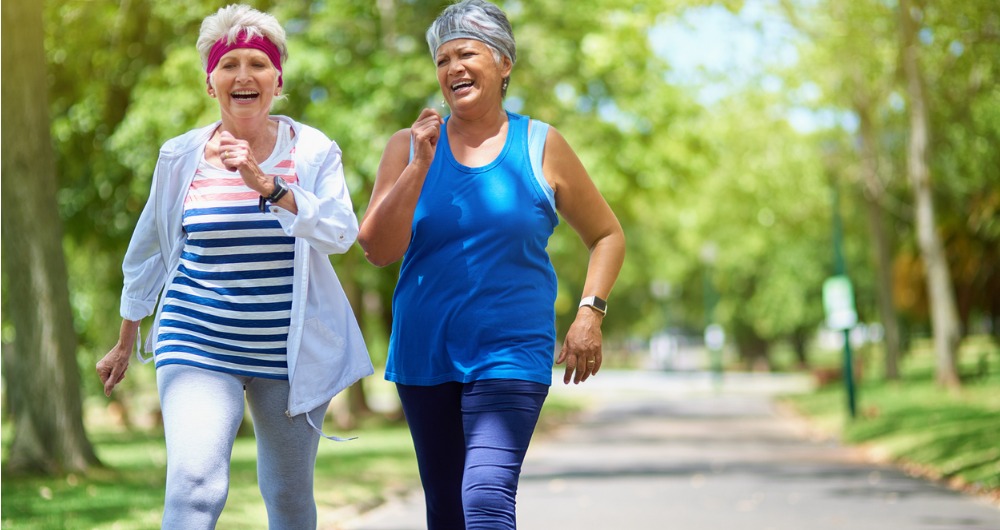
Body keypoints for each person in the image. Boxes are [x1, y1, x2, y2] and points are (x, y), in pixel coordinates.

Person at [95, 5, 373, 528]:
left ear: (278, 80)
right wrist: (126, 338)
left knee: (289, 498)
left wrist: (269, 186)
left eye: (258, 63)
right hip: (196, 338)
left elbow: (341, 232)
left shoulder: (312, 150)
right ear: (210, 82)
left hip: (288, 352)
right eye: (229, 64)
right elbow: (148, 250)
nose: (243, 75)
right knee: (197, 487)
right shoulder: (180, 156)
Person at [357, 1, 626, 528]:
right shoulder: (408, 147)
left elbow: (607, 234)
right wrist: (419, 167)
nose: (452, 68)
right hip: (425, 352)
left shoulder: (541, 144)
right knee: (448, 510)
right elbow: (378, 249)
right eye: (442, 60)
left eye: (467, 54)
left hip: (510, 351)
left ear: (504, 64)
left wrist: (590, 313)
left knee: (484, 499)